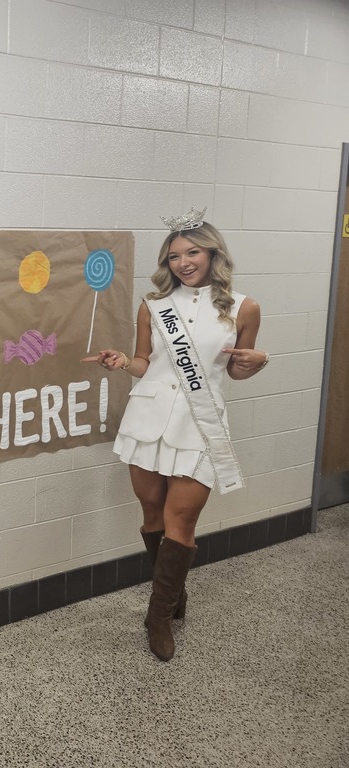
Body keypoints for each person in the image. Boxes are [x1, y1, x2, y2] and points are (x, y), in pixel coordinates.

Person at [83, 210, 269, 661]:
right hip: (148, 418)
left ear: (212, 253)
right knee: (151, 511)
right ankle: (174, 594)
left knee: (180, 520)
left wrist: (253, 364)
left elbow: (237, 373)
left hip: (200, 423)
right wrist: (122, 362)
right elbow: (145, 363)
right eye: (175, 256)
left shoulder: (244, 307)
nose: (184, 262)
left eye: (193, 252)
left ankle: (158, 616)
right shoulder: (153, 306)